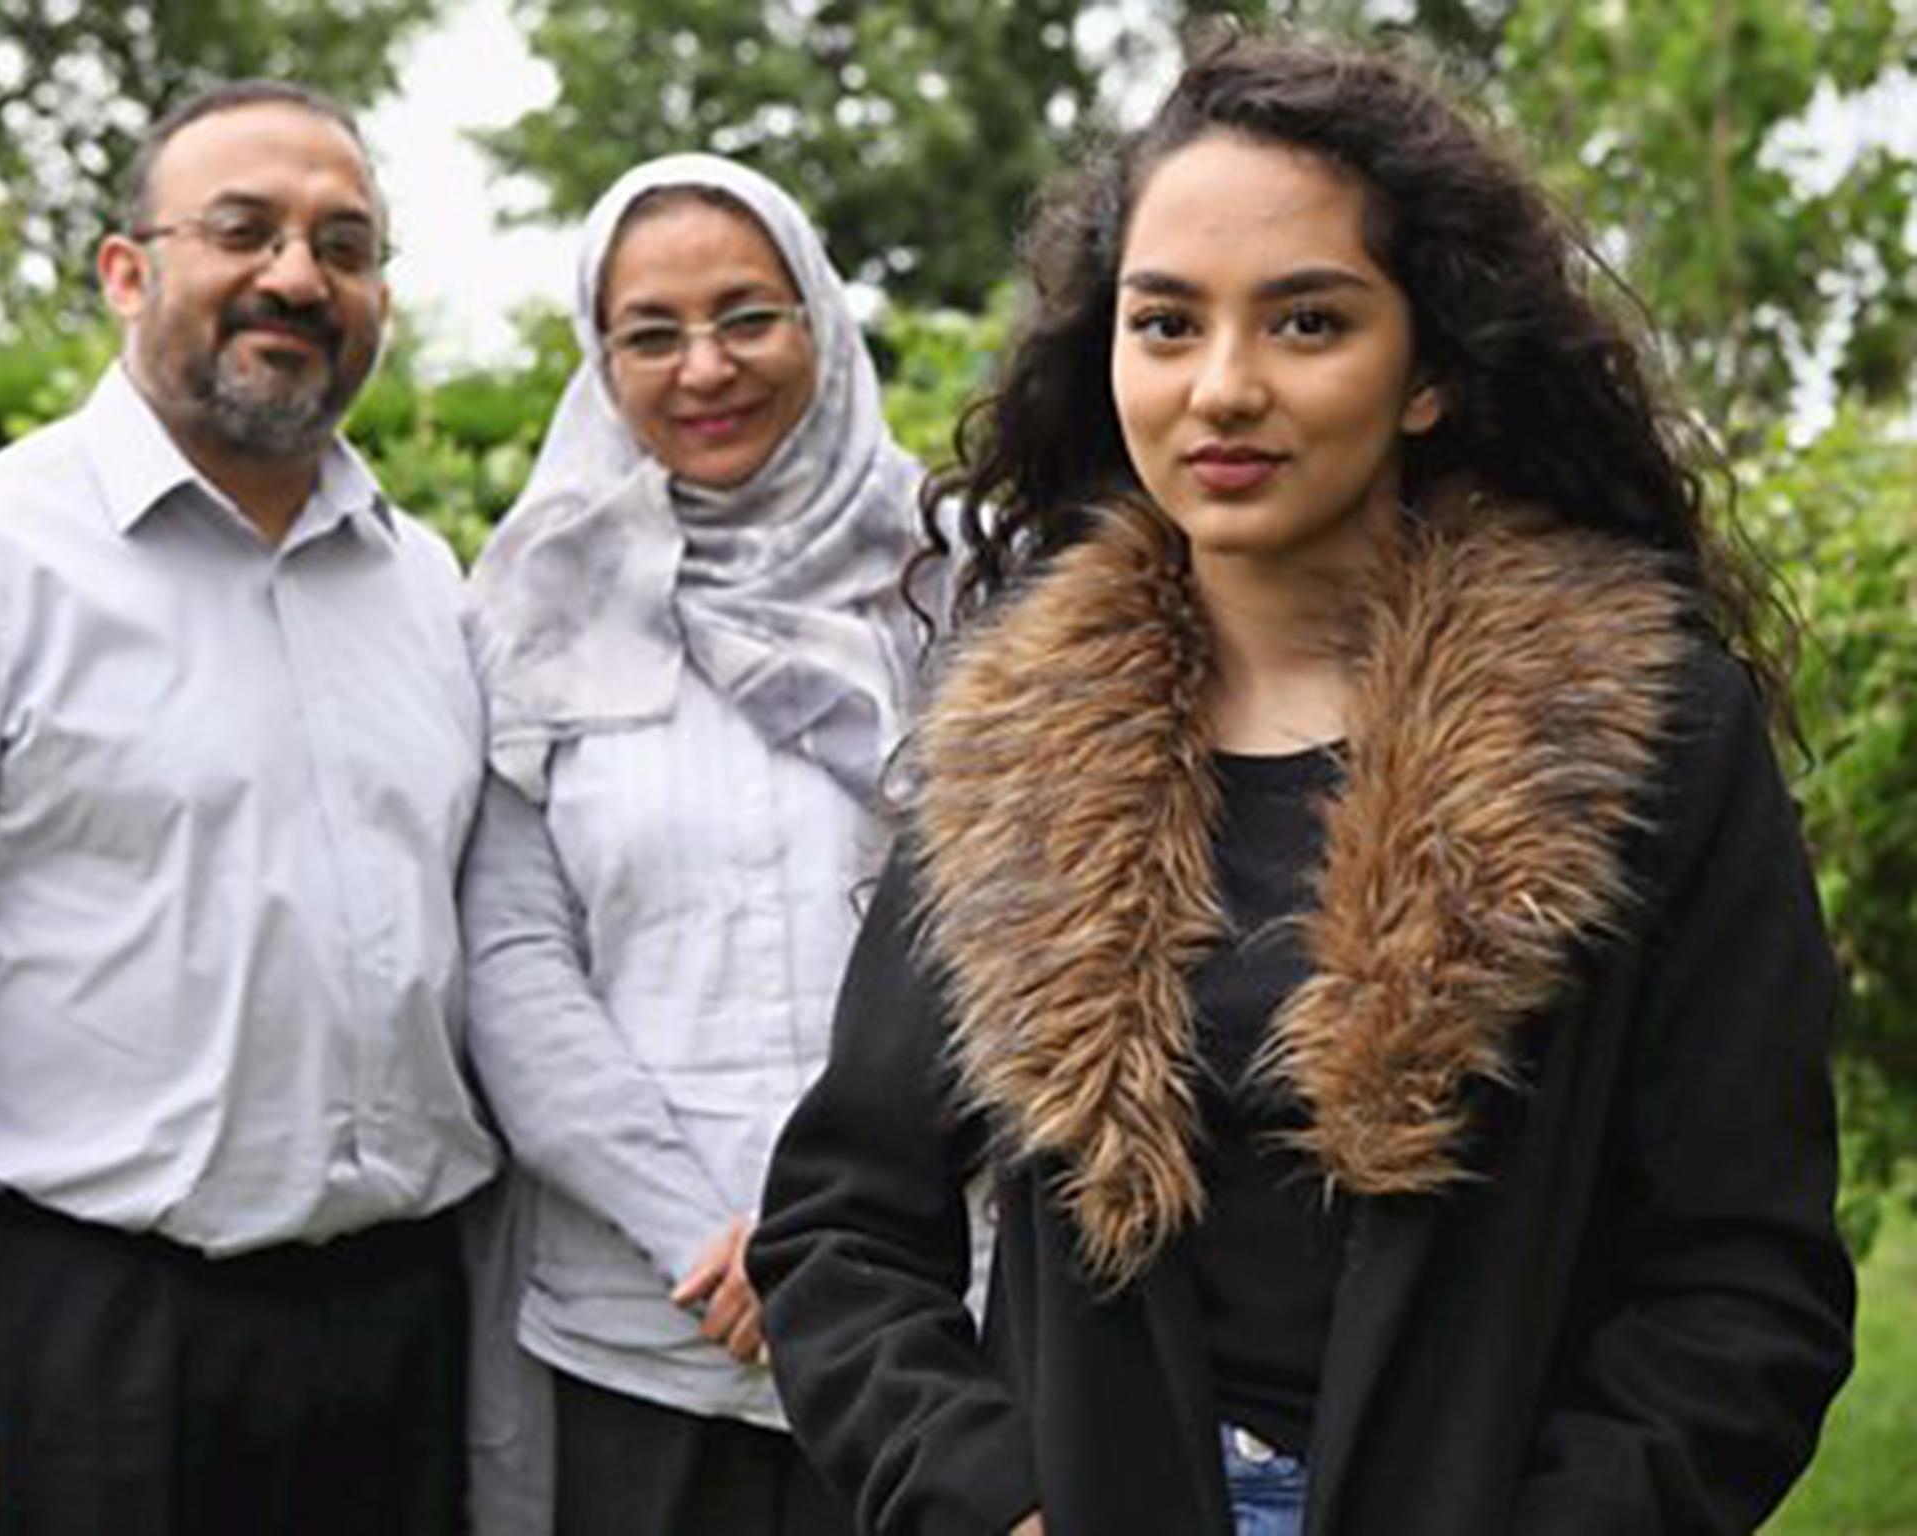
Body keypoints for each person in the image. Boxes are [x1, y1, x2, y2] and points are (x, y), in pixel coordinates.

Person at [747, 32, 1855, 1536]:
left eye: (1308, 322)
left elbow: (1742, 1281)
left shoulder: (1647, 733)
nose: (1222, 389)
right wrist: (985, 1500)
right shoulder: (1011, 740)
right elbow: (841, 1227)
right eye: (1165, 323)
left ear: (1430, 373)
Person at [0, 81, 497, 1536]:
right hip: (89, 1344)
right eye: (244, 231)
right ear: (127, 270)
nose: (296, 275)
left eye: (343, 245)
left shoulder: (429, 590)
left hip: (398, 1337)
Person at [460, 154, 930, 1535]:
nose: (704, 367)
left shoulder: (958, 576)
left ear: (822, 323)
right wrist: (702, 1236)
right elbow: (515, 964)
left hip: (932, 1308)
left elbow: (1028, 927)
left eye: (748, 316)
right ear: (599, 360)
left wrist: (837, 1246)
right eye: (649, 333)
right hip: (646, 1320)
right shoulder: (534, 603)